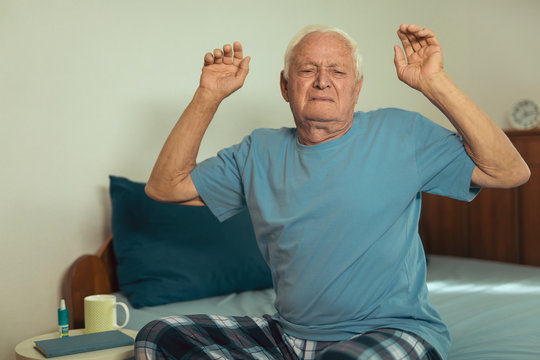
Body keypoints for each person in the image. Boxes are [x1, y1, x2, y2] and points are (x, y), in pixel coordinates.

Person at [135, 24, 530, 360]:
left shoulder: (401, 133)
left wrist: (435, 83)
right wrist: (209, 96)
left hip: (393, 331)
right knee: (158, 337)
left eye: (337, 71)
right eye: (308, 70)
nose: (323, 80)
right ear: (285, 86)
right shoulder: (258, 151)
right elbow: (165, 186)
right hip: (287, 337)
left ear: (356, 89)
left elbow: (509, 171)